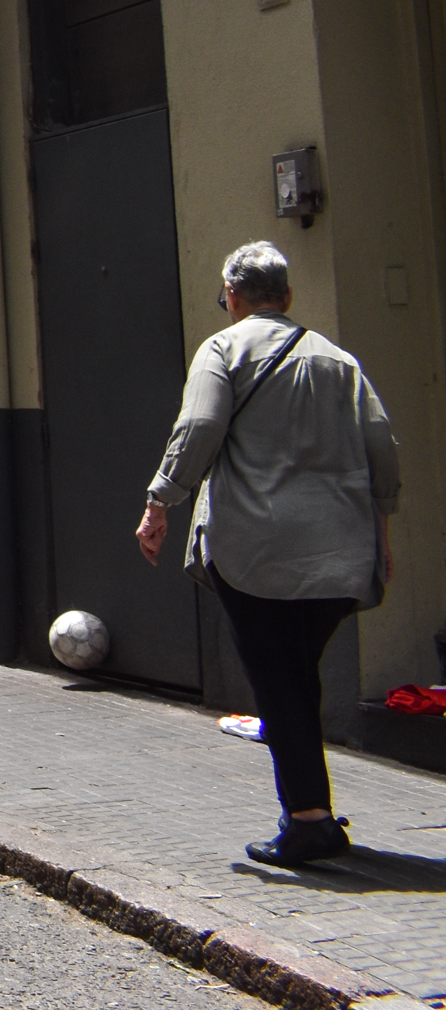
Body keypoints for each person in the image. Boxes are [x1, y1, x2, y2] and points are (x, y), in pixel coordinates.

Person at [137, 242, 400, 868]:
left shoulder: (222, 350)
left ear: (232, 296)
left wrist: (159, 502)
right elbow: (382, 447)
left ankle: (307, 821)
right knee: (294, 678)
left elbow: (198, 427)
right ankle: (312, 812)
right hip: (337, 553)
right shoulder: (340, 360)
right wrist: (380, 536)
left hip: (255, 551)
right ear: (286, 297)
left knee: (279, 683)